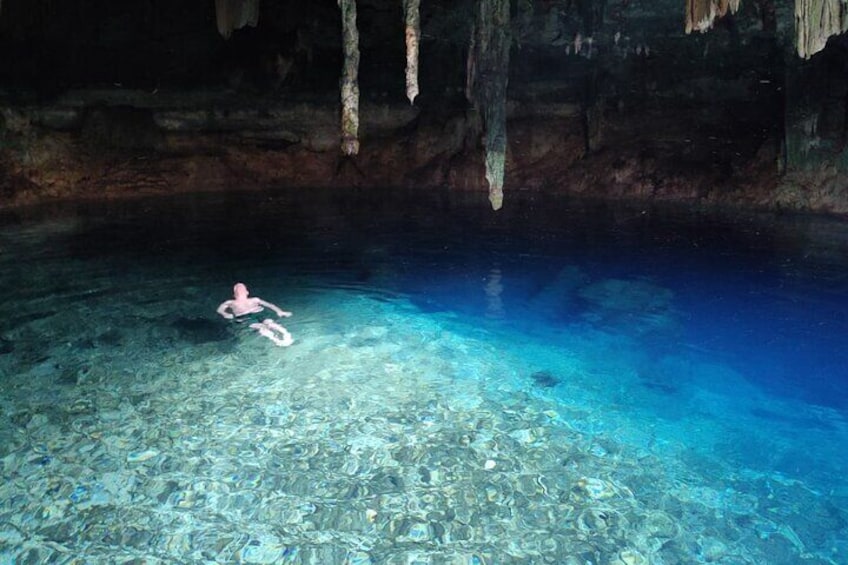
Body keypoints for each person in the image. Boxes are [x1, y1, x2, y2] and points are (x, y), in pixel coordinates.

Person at [217, 282, 294, 346]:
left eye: (242, 289)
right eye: (238, 290)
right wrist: (225, 314)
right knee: (261, 327)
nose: (240, 290)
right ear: (234, 295)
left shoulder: (254, 299)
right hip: (245, 318)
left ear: (247, 292)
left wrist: (280, 311)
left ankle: (286, 334)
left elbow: (269, 305)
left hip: (259, 313)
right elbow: (219, 310)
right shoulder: (230, 302)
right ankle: (276, 340)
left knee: (270, 323)